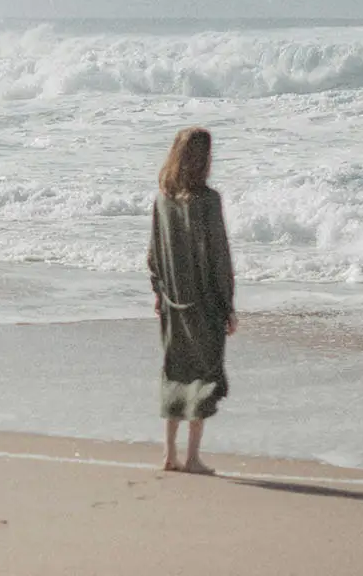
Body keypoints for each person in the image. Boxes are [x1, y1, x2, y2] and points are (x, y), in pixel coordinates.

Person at [147, 126, 238, 474]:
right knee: (204, 376)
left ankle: (169, 454)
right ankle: (193, 457)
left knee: (175, 371)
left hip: (172, 302)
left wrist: (158, 293)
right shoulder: (208, 201)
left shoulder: (163, 199)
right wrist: (228, 306)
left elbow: (154, 254)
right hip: (204, 306)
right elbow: (219, 258)